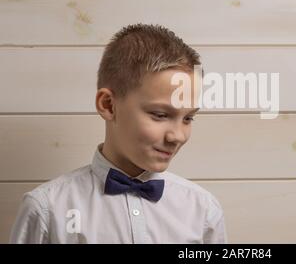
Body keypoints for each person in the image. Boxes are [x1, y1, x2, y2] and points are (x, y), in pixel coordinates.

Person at [9, 23, 227, 243]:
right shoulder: (47, 211)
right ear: (109, 105)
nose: (177, 136)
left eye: (188, 118)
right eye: (160, 115)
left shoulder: (203, 211)